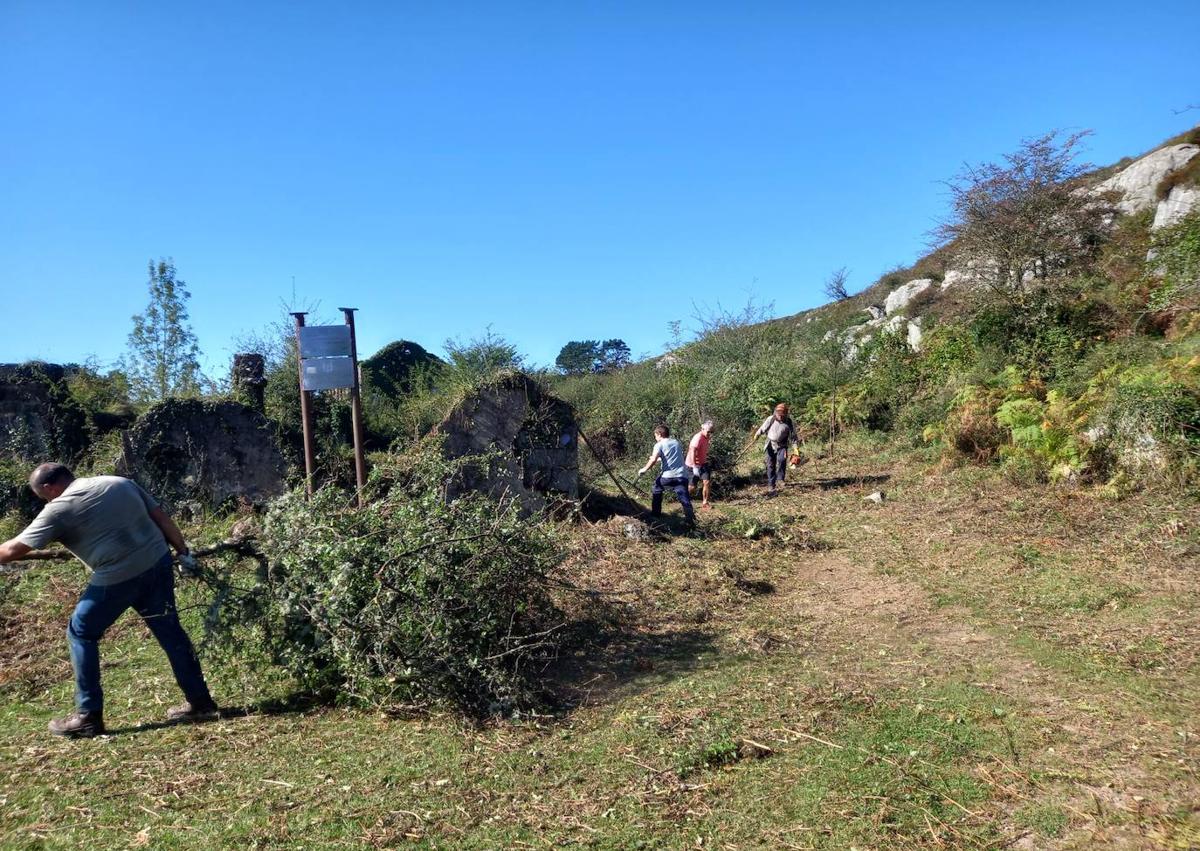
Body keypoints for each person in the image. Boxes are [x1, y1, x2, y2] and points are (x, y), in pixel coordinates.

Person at [0, 463, 218, 738]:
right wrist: (183, 552)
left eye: (43, 496)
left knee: (81, 631)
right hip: (156, 562)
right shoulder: (118, 482)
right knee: (170, 631)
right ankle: (202, 703)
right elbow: (160, 517)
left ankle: (88, 716)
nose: (47, 501)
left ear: (48, 488)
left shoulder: (58, 508)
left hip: (118, 577)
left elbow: (12, 548)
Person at [635, 424, 695, 526]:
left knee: (656, 488)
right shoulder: (676, 442)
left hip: (668, 476)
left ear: (659, 434)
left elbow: (653, 459)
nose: (655, 438)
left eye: (655, 435)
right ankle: (690, 520)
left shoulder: (659, 445)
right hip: (682, 476)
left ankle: (655, 514)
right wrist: (660, 458)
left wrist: (644, 469)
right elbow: (672, 456)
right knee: (684, 496)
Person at [756, 403, 799, 495]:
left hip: (782, 445)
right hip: (770, 444)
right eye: (778, 414)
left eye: (782, 414)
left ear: (785, 414)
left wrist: (796, 449)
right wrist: (757, 434)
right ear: (775, 412)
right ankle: (771, 484)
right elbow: (763, 428)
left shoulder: (789, 422)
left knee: (782, 460)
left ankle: (780, 479)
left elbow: (793, 437)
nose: (779, 416)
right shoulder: (771, 419)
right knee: (770, 464)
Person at [686, 420, 715, 510]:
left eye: (711, 432)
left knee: (706, 482)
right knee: (692, 487)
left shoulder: (707, 437)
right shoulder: (697, 438)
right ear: (702, 429)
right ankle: (685, 501)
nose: (709, 433)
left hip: (703, 464)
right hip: (692, 465)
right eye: (708, 431)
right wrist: (694, 466)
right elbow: (692, 451)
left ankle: (705, 503)